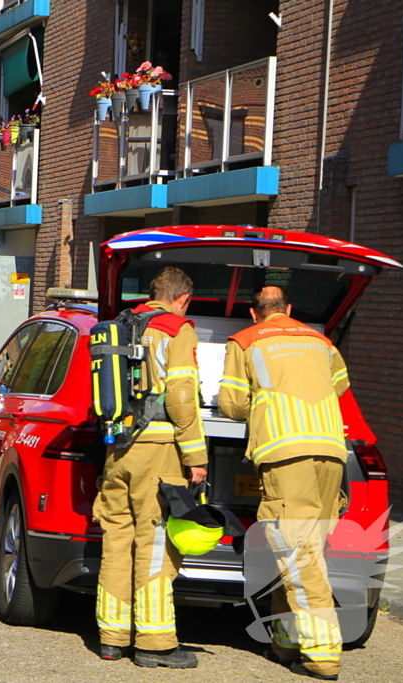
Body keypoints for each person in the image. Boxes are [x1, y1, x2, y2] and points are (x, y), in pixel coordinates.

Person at [217, 286, 349, 681]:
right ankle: (286, 641)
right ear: (289, 309)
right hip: (330, 451)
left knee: (297, 551)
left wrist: (265, 402)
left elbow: (231, 404)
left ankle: (323, 653)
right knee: (304, 546)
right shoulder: (320, 340)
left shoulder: (245, 340)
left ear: (254, 314)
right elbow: (339, 385)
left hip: (284, 452)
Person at [95, 266, 207, 668]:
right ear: (183, 299)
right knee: (156, 543)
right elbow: (180, 396)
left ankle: (111, 637)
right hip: (159, 449)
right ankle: (154, 645)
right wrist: (196, 456)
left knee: (117, 540)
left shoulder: (124, 325)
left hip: (119, 449)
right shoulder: (177, 329)